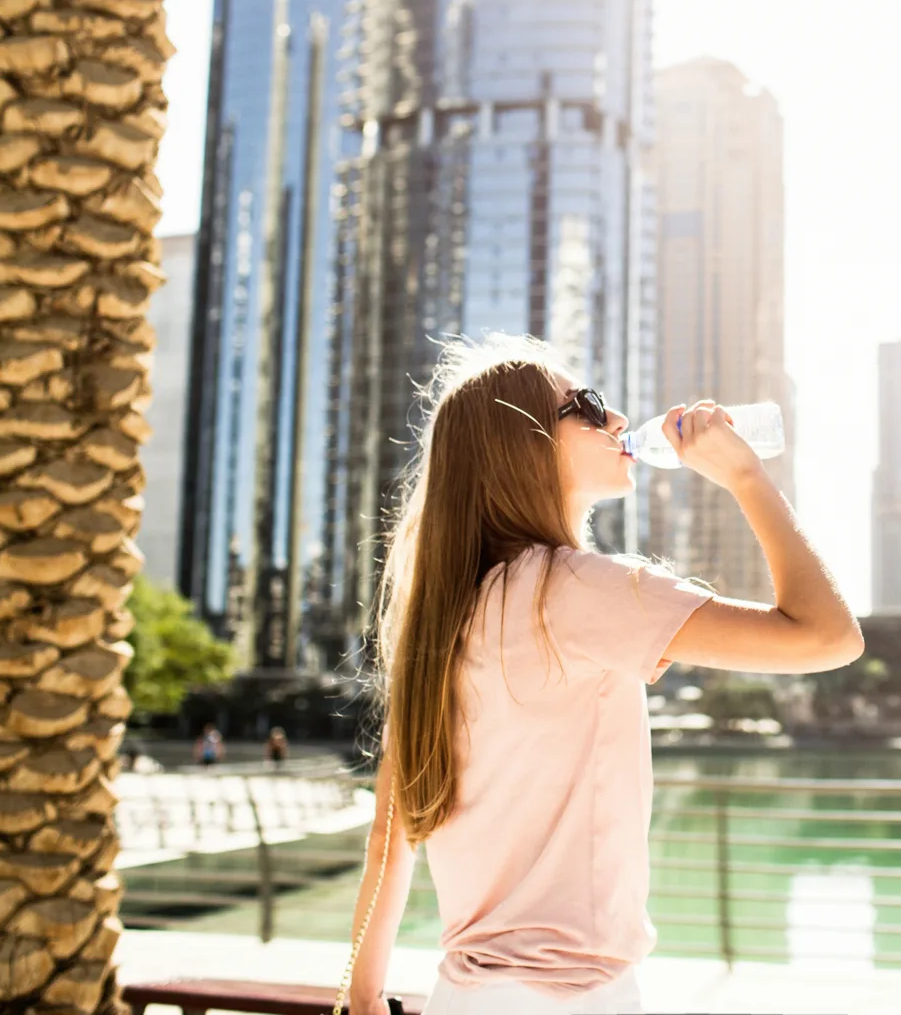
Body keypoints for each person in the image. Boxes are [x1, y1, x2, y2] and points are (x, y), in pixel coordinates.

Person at [345, 336, 861, 1015]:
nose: (617, 420)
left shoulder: (440, 619)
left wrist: (361, 1000)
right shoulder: (576, 589)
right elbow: (828, 637)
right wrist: (746, 477)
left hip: (463, 995)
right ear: (523, 447)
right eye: (585, 407)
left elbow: (390, 833)